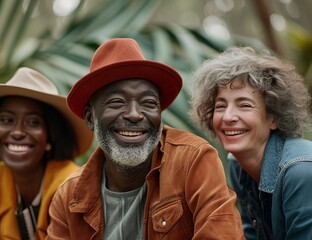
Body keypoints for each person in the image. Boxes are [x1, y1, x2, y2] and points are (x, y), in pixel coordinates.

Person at [46, 38, 244, 239]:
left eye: (148, 103)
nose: (134, 114)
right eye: (117, 102)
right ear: (90, 118)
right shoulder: (69, 197)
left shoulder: (193, 161)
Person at [0, 67, 93, 239]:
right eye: (7, 120)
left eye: (33, 122)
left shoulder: (71, 187)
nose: (17, 132)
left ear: (50, 136)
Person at [190, 46, 312, 239]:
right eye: (220, 106)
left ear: (273, 117)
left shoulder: (300, 171)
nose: (228, 116)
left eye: (244, 105)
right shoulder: (238, 165)